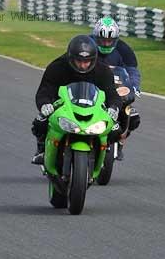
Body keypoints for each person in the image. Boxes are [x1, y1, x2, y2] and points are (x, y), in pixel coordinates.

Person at [31, 34, 122, 165]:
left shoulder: (103, 71)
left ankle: (105, 151)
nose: (83, 65)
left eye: (87, 61)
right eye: (79, 61)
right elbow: (44, 90)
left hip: (94, 109)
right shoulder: (57, 67)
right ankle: (42, 149)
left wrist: (114, 107)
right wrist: (45, 104)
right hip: (64, 108)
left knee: (115, 130)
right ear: (70, 58)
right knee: (40, 122)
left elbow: (112, 94)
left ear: (93, 59)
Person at [91, 17, 142, 160]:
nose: (106, 43)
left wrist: (134, 87)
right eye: (103, 40)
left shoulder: (124, 50)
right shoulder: (86, 44)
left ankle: (120, 141)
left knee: (133, 117)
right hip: (91, 89)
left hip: (116, 90)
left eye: (110, 40)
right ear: (96, 37)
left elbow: (133, 71)